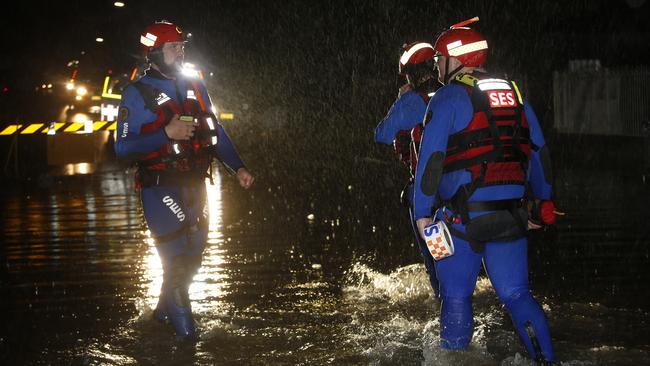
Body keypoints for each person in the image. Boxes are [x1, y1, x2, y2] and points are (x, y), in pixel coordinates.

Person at [412, 18, 557, 364]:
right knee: (518, 294)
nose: (436, 67)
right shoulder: (515, 93)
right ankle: (548, 361)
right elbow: (540, 154)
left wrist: (421, 214)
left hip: (460, 219)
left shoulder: (447, 97)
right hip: (512, 215)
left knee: (457, 296)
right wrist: (543, 202)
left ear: (453, 59)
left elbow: (430, 162)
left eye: (437, 61)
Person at [114, 20, 254, 339]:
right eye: (173, 47)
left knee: (192, 261)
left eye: (181, 46)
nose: (180, 52)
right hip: (160, 188)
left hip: (196, 186)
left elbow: (214, 130)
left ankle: (160, 319)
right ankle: (189, 345)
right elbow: (122, 147)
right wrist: (165, 133)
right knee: (177, 266)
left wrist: (238, 167)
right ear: (154, 53)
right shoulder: (135, 94)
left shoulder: (194, 84)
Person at [374, 41, 442, 297]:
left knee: (435, 262)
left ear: (411, 74)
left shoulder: (411, 101)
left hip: (427, 196)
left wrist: (400, 101)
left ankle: (442, 300)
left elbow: (381, 135)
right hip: (462, 193)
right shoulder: (453, 94)